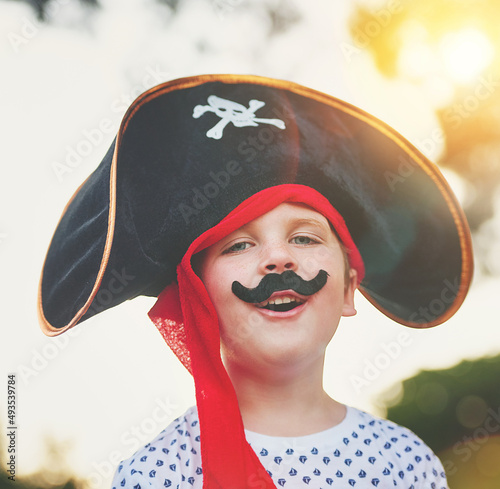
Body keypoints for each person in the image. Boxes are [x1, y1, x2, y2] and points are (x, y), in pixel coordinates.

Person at [38, 74, 473, 488]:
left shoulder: (405, 463)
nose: (279, 258)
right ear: (197, 297)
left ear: (347, 288)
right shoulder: (153, 475)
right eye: (238, 245)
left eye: (304, 237)